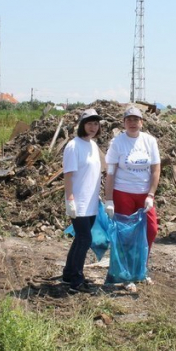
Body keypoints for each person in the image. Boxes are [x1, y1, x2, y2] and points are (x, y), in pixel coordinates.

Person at [105, 106, 161, 261]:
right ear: (124, 123)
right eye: (129, 120)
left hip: (144, 194)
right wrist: (108, 198)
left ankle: (141, 266)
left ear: (141, 122)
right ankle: (126, 271)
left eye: (136, 119)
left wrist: (151, 194)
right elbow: (110, 172)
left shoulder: (149, 141)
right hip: (123, 193)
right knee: (126, 233)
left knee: (151, 230)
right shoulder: (117, 142)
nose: (132, 123)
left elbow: (156, 169)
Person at [61, 108, 103, 292]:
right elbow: (68, 175)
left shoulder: (93, 145)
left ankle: (68, 274)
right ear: (82, 125)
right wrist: (70, 199)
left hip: (91, 203)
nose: (93, 127)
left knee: (80, 239)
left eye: (96, 124)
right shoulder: (73, 146)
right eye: (89, 123)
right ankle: (76, 281)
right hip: (78, 202)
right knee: (85, 239)